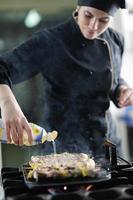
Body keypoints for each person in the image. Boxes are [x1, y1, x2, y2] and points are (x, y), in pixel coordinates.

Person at [0, 0, 133, 156]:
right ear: (78, 9)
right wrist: (7, 104)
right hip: (62, 147)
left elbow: (113, 80)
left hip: (108, 145)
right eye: (88, 16)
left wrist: (121, 90)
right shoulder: (50, 41)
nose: (93, 26)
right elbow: (3, 68)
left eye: (103, 20)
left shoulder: (116, 40)